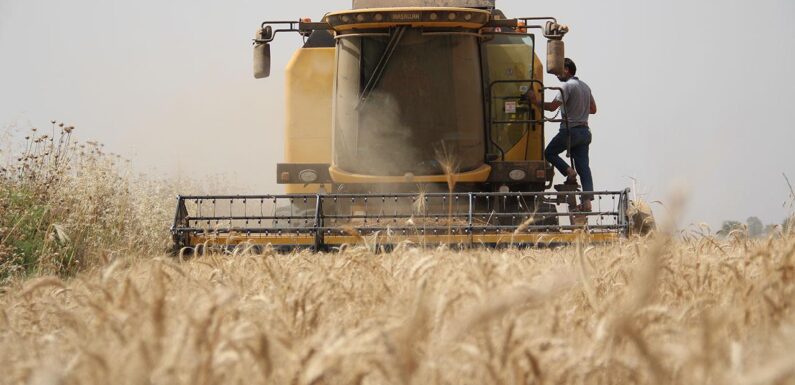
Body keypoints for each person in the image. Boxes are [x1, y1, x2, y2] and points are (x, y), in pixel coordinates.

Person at [529, 58, 597, 211]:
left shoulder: (566, 86)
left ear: (567, 69)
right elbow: (593, 109)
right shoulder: (585, 87)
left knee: (549, 152)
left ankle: (568, 171)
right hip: (584, 132)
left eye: (559, 70)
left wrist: (534, 101)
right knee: (584, 167)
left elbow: (552, 107)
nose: (557, 75)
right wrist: (579, 109)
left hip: (569, 131)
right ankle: (587, 202)